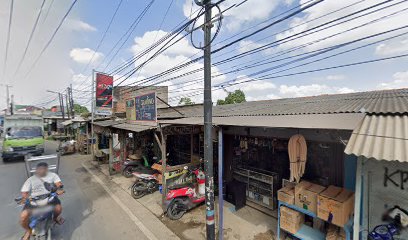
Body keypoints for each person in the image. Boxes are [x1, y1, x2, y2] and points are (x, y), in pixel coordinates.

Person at [19, 162, 64, 240]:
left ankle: (55, 218)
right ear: (37, 170)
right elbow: (24, 192)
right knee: (23, 217)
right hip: (34, 201)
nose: (41, 171)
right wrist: (25, 197)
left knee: (58, 208)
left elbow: (58, 184)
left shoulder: (53, 175)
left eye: (43, 169)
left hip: (50, 198)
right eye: (39, 169)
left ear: (47, 170)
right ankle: (28, 231)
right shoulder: (31, 179)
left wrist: (59, 188)